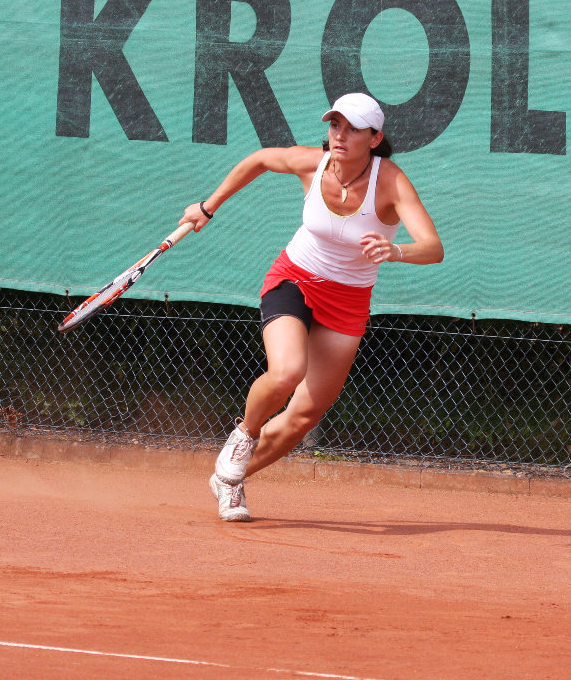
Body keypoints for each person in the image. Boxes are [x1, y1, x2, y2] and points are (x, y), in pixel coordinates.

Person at [179, 92, 443, 522]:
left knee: (304, 415)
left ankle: (230, 479)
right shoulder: (311, 163)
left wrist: (396, 251)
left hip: (349, 302)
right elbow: (261, 159)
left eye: (353, 128)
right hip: (294, 281)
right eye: (335, 124)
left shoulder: (390, 181)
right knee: (287, 372)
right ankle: (244, 435)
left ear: (375, 138)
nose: (340, 135)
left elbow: (433, 248)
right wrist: (208, 207)